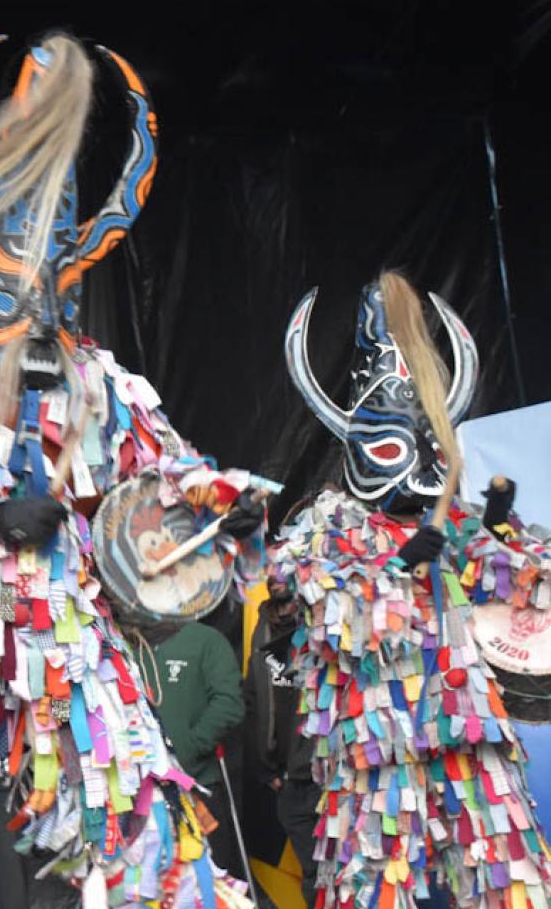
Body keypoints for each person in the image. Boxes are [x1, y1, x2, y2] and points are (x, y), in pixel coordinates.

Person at [0, 31, 260, 908]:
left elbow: (165, 481)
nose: (29, 299)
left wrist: (223, 509)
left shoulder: (95, 380)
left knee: (135, 804)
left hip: (71, 636)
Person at [271, 273, 551, 908]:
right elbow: (325, 616)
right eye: (398, 445)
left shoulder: (452, 524)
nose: (419, 470)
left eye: (427, 447)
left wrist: (505, 529)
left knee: (503, 877)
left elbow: (521, 585)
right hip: (376, 757)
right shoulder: (326, 528)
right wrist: (396, 567)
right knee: (374, 879)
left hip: (466, 739)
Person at [128, 619, 246, 877]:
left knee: (205, 883)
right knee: (149, 886)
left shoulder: (204, 639)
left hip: (196, 787)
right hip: (137, 797)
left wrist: (187, 748)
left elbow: (229, 704)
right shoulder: (121, 643)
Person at [244, 578, 319, 909]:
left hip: (320, 772)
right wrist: (265, 766)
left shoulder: (319, 620)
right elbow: (252, 698)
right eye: (269, 569)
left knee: (326, 872)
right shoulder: (263, 626)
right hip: (286, 777)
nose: (273, 577)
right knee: (314, 872)